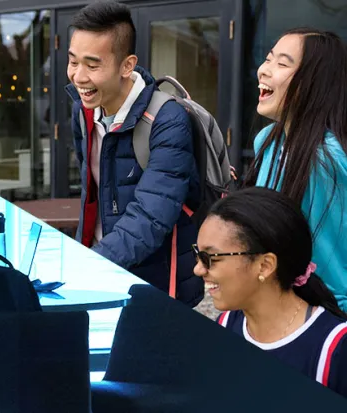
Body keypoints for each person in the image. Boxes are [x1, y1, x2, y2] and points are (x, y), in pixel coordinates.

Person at [66, 1, 203, 306]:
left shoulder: (167, 120)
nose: (78, 76)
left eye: (92, 64)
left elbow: (152, 215)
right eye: (73, 61)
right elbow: (90, 193)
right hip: (101, 268)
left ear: (127, 65)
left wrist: (91, 264)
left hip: (157, 282)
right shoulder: (83, 111)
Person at [194, 187, 347, 398]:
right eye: (197, 254)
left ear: (265, 265)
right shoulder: (225, 325)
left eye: (210, 258)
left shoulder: (334, 349)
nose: (198, 269)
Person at [243, 27, 347, 311]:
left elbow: (335, 266)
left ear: (315, 82)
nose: (263, 70)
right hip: (274, 310)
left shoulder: (328, 158)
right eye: (268, 58)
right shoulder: (266, 139)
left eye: (282, 63)